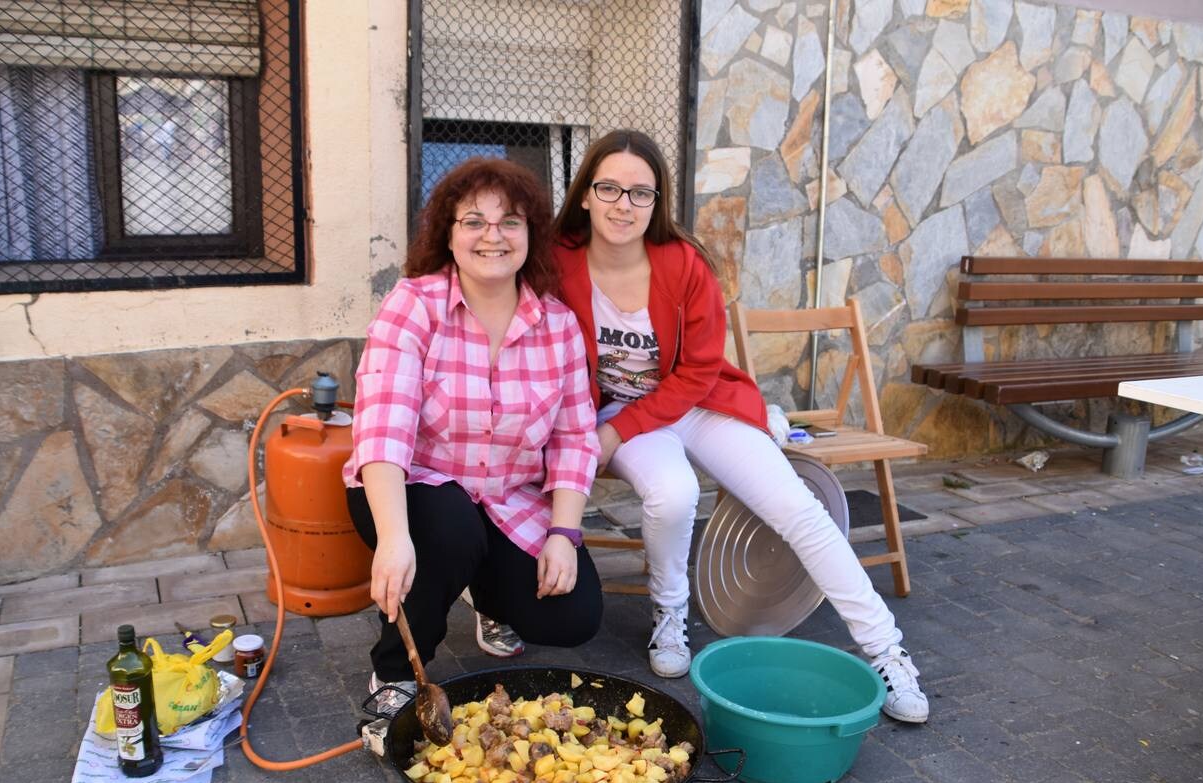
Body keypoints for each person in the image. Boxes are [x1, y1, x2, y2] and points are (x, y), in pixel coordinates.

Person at [549, 129, 928, 723]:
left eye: (640, 193)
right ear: (586, 195)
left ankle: (887, 650)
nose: (624, 204)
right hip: (620, 415)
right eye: (610, 188)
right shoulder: (557, 261)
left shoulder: (683, 264)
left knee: (799, 508)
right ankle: (670, 618)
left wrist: (617, 434)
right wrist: (604, 428)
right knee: (671, 495)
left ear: (658, 203)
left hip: (696, 403)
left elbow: (698, 370)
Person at [344, 157, 603, 714]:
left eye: (510, 221)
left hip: (507, 499)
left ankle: (486, 595)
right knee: (450, 529)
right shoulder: (414, 303)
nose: (494, 236)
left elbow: (575, 436)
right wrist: (393, 540)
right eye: (474, 222)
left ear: (531, 234)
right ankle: (393, 677)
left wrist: (564, 533)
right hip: (409, 491)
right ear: (449, 233)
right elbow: (383, 426)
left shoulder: (557, 324)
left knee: (574, 615)